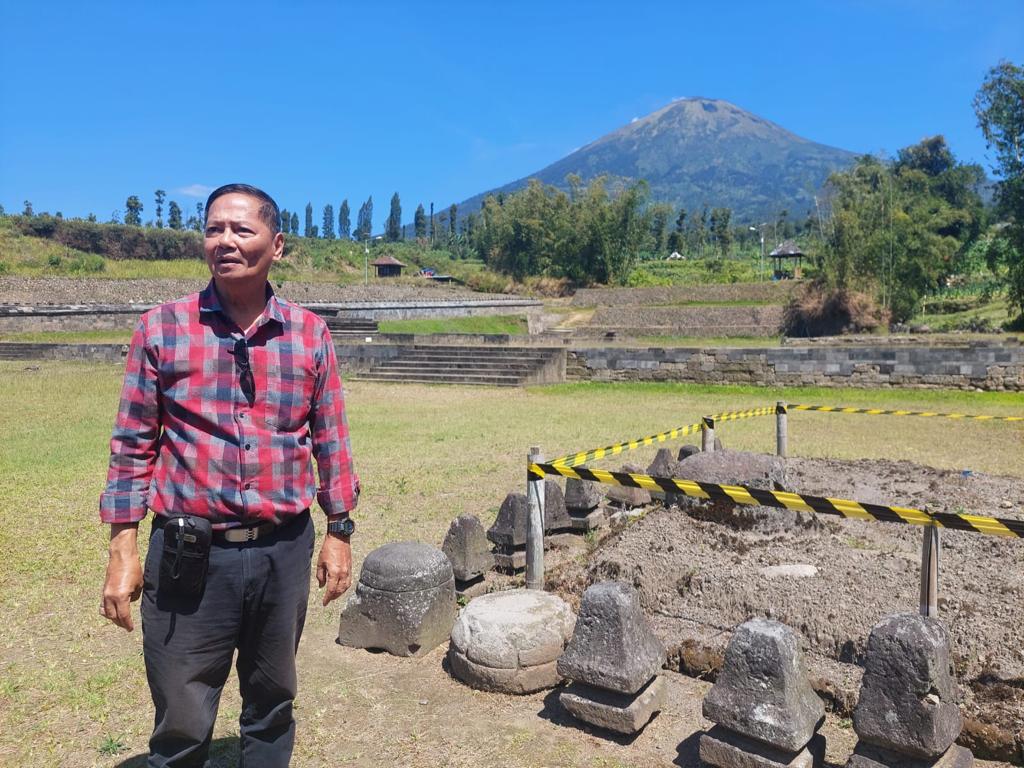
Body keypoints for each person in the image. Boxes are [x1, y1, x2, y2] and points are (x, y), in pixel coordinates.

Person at [99, 183, 359, 767]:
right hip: (189, 554)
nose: (226, 241)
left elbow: (331, 439)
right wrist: (123, 550)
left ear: (277, 245)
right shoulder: (162, 329)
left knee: (271, 702)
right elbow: (133, 442)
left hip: (283, 552)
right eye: (215, 229)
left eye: (242, 230)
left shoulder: (309, 333)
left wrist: (339, 531)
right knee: (182, 714)